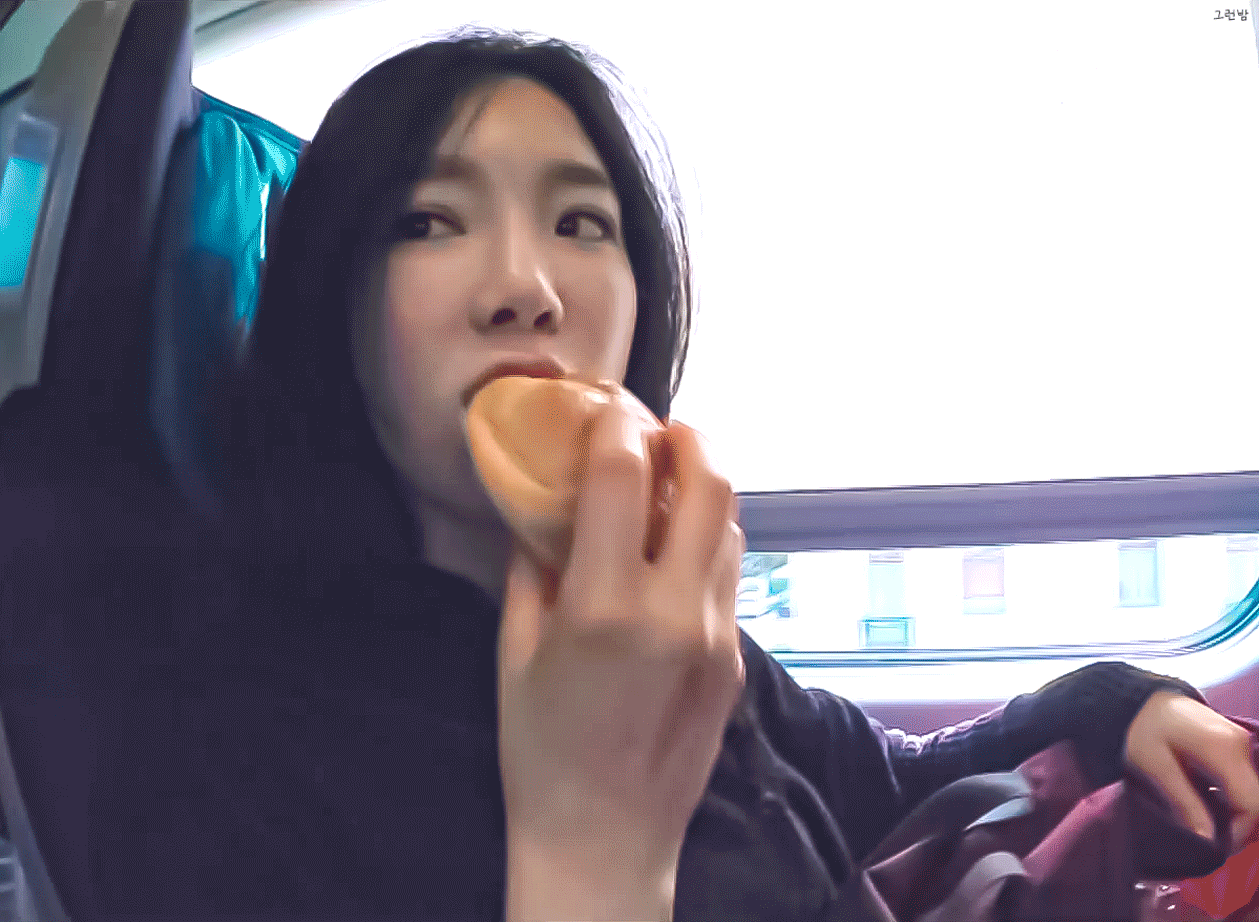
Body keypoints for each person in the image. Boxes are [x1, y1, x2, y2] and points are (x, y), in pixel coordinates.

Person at [2, 25, 1256, 922]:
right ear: (333, 309)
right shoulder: (230, 766)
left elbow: (890, 785)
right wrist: (591, 851)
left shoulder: (650, 619)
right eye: (426, 222)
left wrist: (1120, 703)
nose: (525, 288)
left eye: (580, 223)